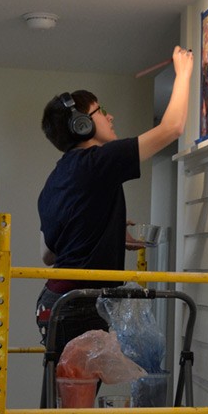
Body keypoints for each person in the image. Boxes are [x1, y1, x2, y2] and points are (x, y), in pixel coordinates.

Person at [36, 44, 193, 346]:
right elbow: (172, 128)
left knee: (68, 390)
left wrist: (105, 234)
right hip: (81, 302)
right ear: (81, 126)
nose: (110, 117)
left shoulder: (57, 177)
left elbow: (49, 254)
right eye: (101, 111)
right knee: (76, 392)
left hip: (58, 298)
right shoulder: (97, 162)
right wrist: (183, 72)